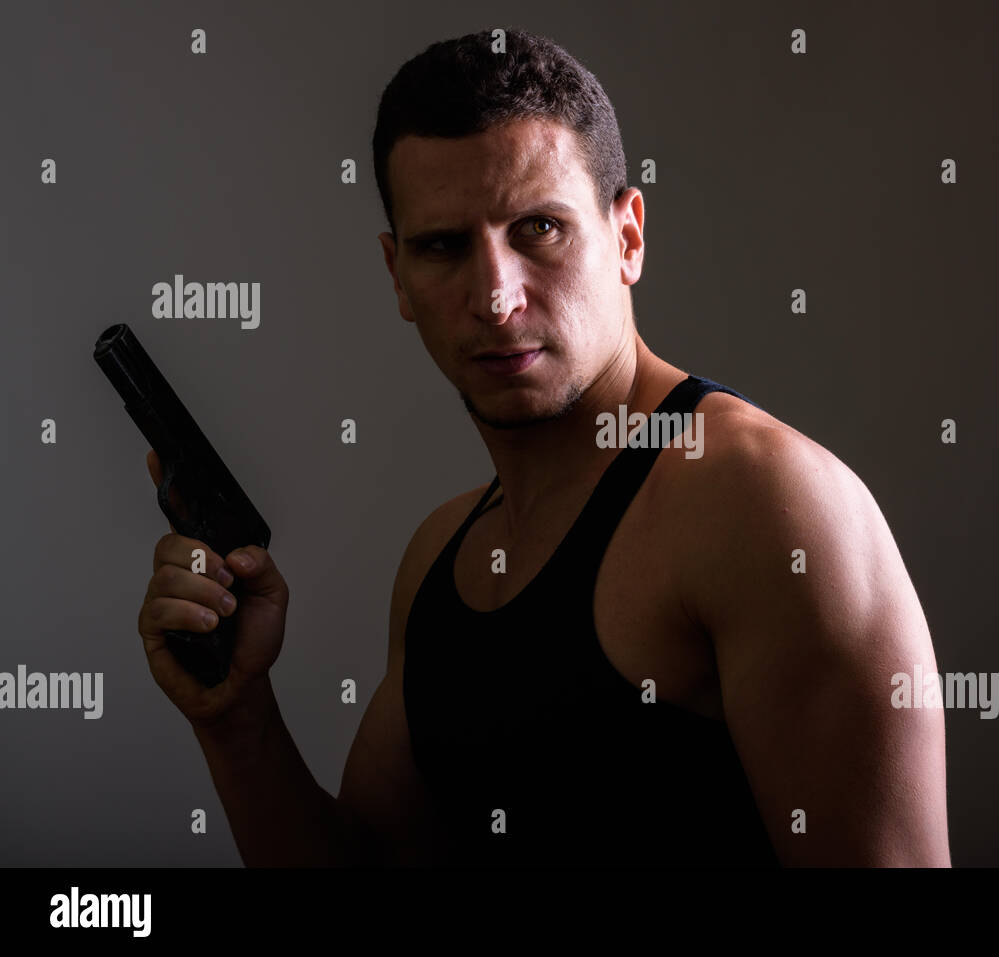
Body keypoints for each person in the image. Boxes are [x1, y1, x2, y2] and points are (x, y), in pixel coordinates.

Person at [138, 27, 950, 867]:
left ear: (628, 237)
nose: (494, 296)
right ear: (398, 276)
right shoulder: (440, 558)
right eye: (445, 246)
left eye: (538, 229)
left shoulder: (763, 503)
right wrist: (236, 717)